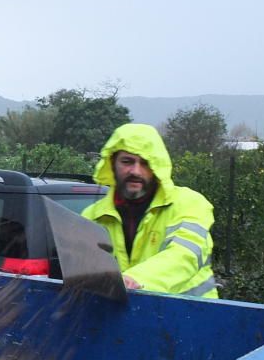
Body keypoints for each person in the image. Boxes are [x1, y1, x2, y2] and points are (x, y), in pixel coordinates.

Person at [81, 123, 218, 298]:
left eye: (145, 163)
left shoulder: (189, 203)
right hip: (125, 321)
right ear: (112, 164)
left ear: (157, 167)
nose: (135, 171)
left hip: (192, 319)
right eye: (127, 161)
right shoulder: (91, 216)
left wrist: (135, 279)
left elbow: (184, 255)